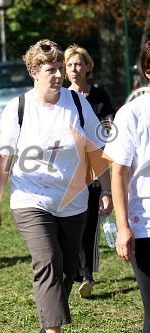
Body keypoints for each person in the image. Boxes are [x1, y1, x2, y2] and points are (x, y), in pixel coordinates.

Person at [0, 39, 112, 333]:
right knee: (48, 259)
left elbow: (96, 151)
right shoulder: (18, 108)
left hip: (73, 201)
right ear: (34, 72)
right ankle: (53, 330)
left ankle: (46, 325)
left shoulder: (77, 103)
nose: (57, 74)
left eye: (58, 68)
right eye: (49, 69)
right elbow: (4, 161)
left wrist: (105, 191)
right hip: (30, 199)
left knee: (68, 269)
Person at [103, 40, 150, 333]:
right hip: (145, 225)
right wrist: (123, 228)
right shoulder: (131, 113)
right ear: (148, 71)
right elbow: (117, 173)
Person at [64, 44, 116, 298]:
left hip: (96, 171)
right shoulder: (62, 97)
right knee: (74, 223)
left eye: (78, 64)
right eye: (69, 65)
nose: (74, 69)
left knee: (91, 223)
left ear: (87, 67)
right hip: (70, 172)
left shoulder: (99, 96)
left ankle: (86, 275)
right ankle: (75, 269)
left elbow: (109, 128)